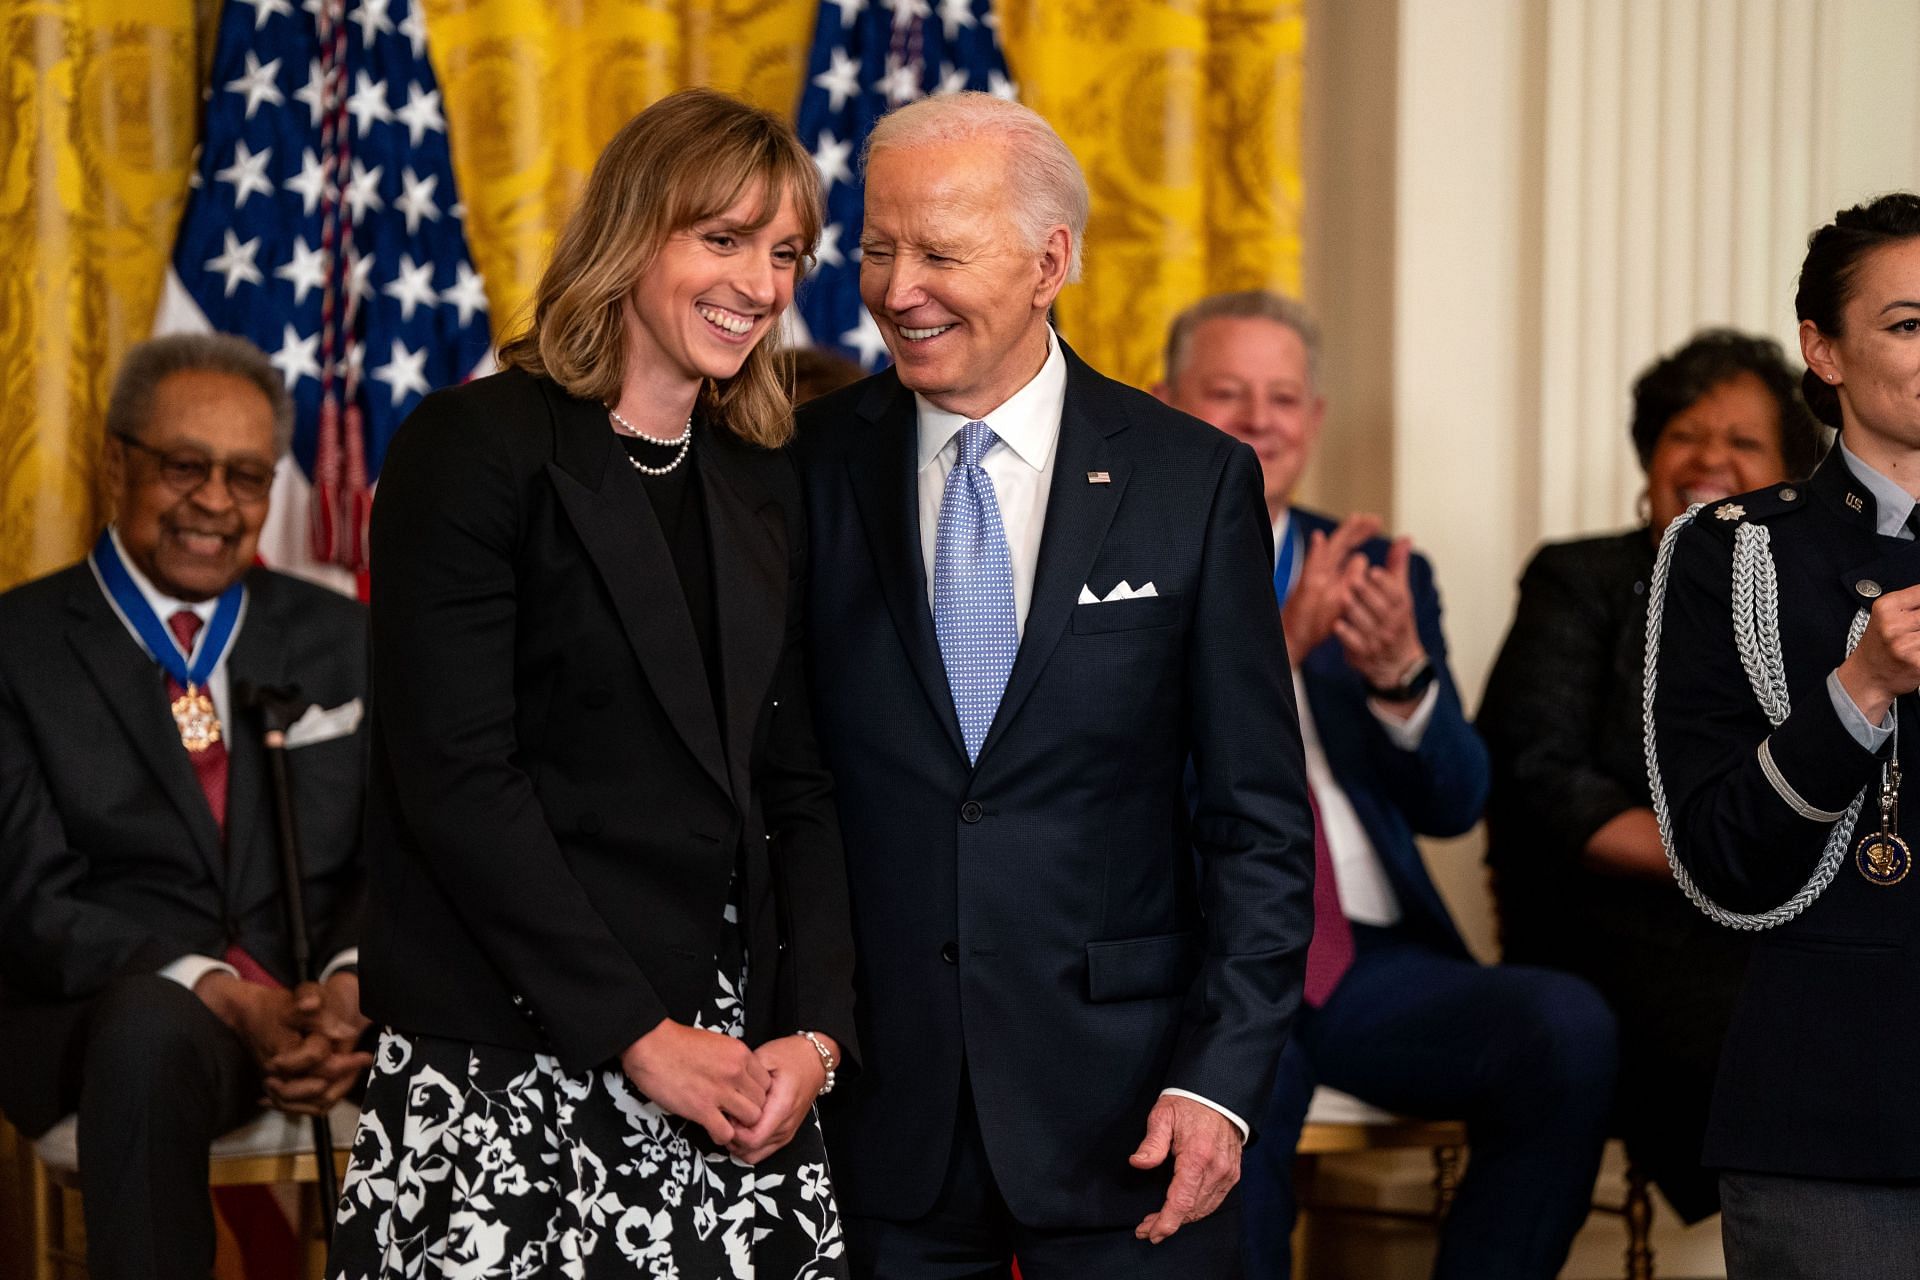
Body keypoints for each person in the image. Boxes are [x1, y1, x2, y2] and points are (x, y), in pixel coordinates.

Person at [329, 89, 858, 1280]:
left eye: (784, 254)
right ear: (632, 234)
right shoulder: (472, 450)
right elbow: (459, 781)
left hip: (735, 1072)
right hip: (508, 1052)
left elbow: (799, 779)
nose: (761, 284)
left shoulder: (765, 483)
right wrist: (637, 1035)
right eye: (721, 239)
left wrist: (815, 1033)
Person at [795, 95, 1313, 1279]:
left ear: (1050, 261)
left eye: (941, 251)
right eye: (879, 246)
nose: (896, 286)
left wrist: (1220, 1083)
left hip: (1131, 1115)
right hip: (876, 1118)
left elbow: (1258, 824)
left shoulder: (1192, 482)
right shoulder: (800, 468)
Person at [1155, 289, 1618, 1280]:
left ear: (1314, 420)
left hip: (1368, 964)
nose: (1258, 418)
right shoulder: (1116, 559)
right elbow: (1108, 783)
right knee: (1241, 1078)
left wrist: (1404, 684)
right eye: (1227, 391)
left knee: (1565, 1025)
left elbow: (1454, 803)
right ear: (1164, 400)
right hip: (1205, 951)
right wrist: (1272, 662)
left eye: (1283, 397)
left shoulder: (1370, 566)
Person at [0, 333, 371, 1280]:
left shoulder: (341, 636)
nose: (215, 503)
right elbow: (31, 904)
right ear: (116, 462)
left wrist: (350, 985)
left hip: (326, 1012)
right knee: (145, 1032)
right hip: (129, 1021)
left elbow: (403, 852)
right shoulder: (19, 647)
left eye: (247, 477)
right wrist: (220, 993)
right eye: (184, 467)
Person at [1481, 329, 1825, 1224]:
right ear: (1651, 457)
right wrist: (1710, 854)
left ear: (1789, 472)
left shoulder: (1823, 601)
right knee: (1789, 1046)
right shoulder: (1582, 578)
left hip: (1786, 925)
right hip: (1617, 934)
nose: (1710, 457)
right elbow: (1538, 776)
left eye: (1744, 441)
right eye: (1685, 434)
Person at [1647, 191, 1920, 1277]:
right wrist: (1859, 687)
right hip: (1836, 1109)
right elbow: (1718, 856)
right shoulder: (1735, 554)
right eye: (1907, 323)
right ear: (1824, 348)